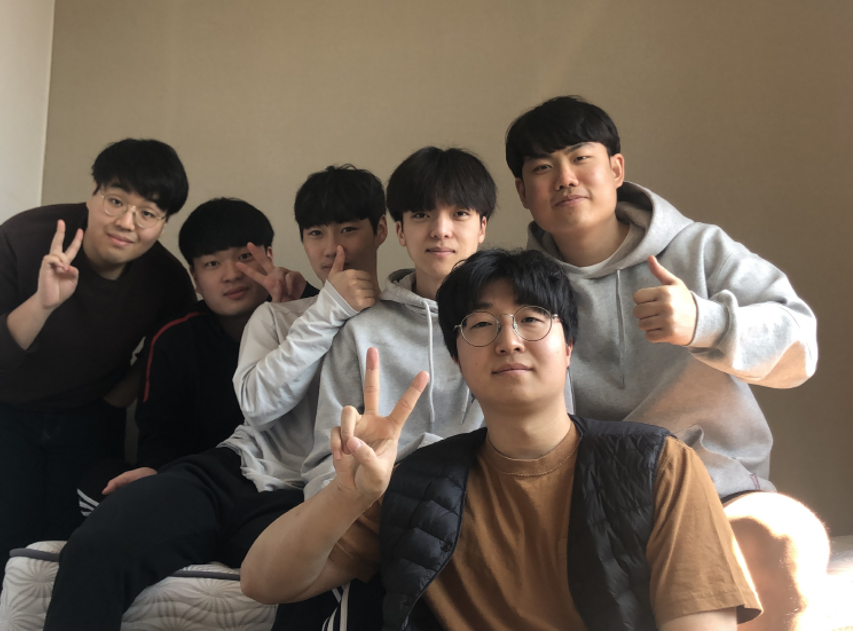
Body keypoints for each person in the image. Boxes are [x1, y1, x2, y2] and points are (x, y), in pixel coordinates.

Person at [241, 248, 761, 631]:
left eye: (531, 319)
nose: (508, 340)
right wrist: (345, 495)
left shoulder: (659, 466)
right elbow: (263, 582)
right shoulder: (416, 484)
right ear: (456, 358)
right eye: (481, 324)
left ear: (569, 346)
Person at [506, 95, 828, 629]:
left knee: (780, 542)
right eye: (542, 168)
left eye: (580, 157)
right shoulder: (518, 289)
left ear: (616, 169)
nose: (565, 178)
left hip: (717, 486)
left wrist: (707, 323)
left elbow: (801, 348)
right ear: (523, 192)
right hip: (589, 502)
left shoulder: (699, 249)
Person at [42, 164, 387, 631]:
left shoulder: (400, 322)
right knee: (98, 542)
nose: (331, 248)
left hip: (308, 495)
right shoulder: (276, 316)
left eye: (348, 229)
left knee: (321, 583)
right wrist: (324, 308)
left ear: (381, 230)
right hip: (228, 469)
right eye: (315, 233)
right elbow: (257, 407)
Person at [0, 138, 195, 630]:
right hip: (0, 415)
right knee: (5, 550)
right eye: (116, 201)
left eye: (148, 213)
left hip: (88, 420)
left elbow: (167, 355)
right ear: (93, 194)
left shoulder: (165, 278)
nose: (127, 222)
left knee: (78, 549)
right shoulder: (23, 237)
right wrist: (42, 303)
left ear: (163, 223)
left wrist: (112, 401)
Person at [76, 197, 318, 514]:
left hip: (293, 481)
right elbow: (160, 433)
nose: (231, 275)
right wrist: (159, 474)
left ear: (269, 256)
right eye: (212, 264)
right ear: (195, 278)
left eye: (244, 257)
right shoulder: (174, 338)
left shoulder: (316, 317)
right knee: (100, 486)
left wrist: (301, 302)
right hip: (203, 484)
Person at [301, 146, 494, 499]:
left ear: (482, 226)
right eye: (422, 214)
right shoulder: (360, 332)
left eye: (459, 213)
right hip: (383, 506)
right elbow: (325, 467)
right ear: (400, 231)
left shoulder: (512, 326)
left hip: (486, 502)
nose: (441, 230)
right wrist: (364, 481)